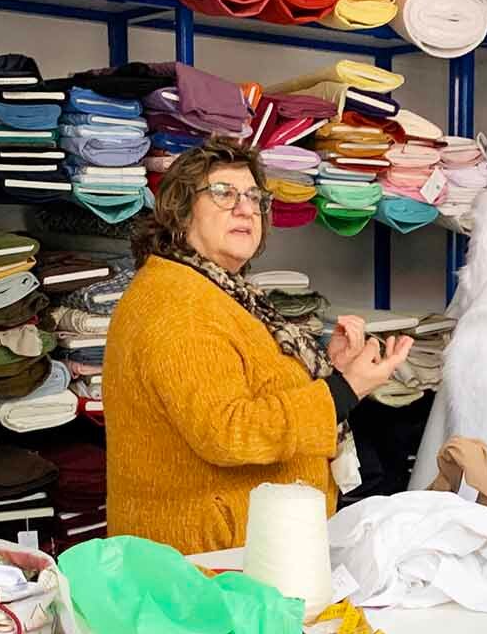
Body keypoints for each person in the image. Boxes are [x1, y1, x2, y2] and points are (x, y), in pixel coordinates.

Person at [106, 139, 411, 554]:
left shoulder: (217, 290)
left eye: (254, 197)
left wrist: (331, 370)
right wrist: (343, 390)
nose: (246, 208)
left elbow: (250, 385)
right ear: (180, 210)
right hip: (205, 568)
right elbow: (228, 431)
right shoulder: (178, 304)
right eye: (222, 193)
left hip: (239, 556)